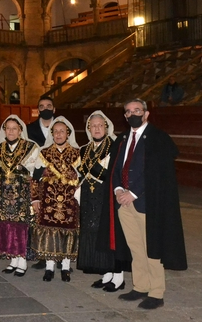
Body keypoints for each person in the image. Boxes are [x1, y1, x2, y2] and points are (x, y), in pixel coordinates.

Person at [100, 99, 187, 310]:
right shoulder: (121, 139)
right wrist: (118, 190)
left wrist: (134, 193)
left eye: (137, 110)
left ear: (146, 114)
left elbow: (159, 173)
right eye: (128, 112)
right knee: (135, 247)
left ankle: (156, 292)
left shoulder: (158, 138)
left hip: (148, 204)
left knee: (152, 248)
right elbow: (115, 168)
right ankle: (140, 286)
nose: (133, 114)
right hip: (124, 203)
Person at [0, 115, 41, 276]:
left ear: (20, 130)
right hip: (2, 194)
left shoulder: (30, 147)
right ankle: (13, 259)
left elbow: (34, 174)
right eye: (8, 128)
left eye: (14, 128)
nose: (11, 131)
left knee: (20, 227)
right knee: (7, 226)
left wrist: (34, 197)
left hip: (22, 194)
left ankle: (21, 260)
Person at [76, 111, 125, 291]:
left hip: (108, 196)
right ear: (89, 128)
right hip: (90, 198)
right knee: (95, 235)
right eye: (93, 125)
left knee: (111, 235)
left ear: (106, 127)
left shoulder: (115, 146)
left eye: (100, 125)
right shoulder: (84, 149)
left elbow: (115, 174)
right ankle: (106, 273)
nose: (97, 128)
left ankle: (118, 277)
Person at [31, 116, 81, 282]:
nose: (59, 134)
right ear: (52, 134)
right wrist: (35, 199)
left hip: (69, 201)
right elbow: (35, 178)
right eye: (56, 131)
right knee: (49, 233)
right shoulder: (44, 153)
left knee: (68, 233)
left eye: (62, 131)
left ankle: (66, 267)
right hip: (48, 201)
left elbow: (83, 178)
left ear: (68, 134)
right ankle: (49, 267)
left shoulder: (77, 154)